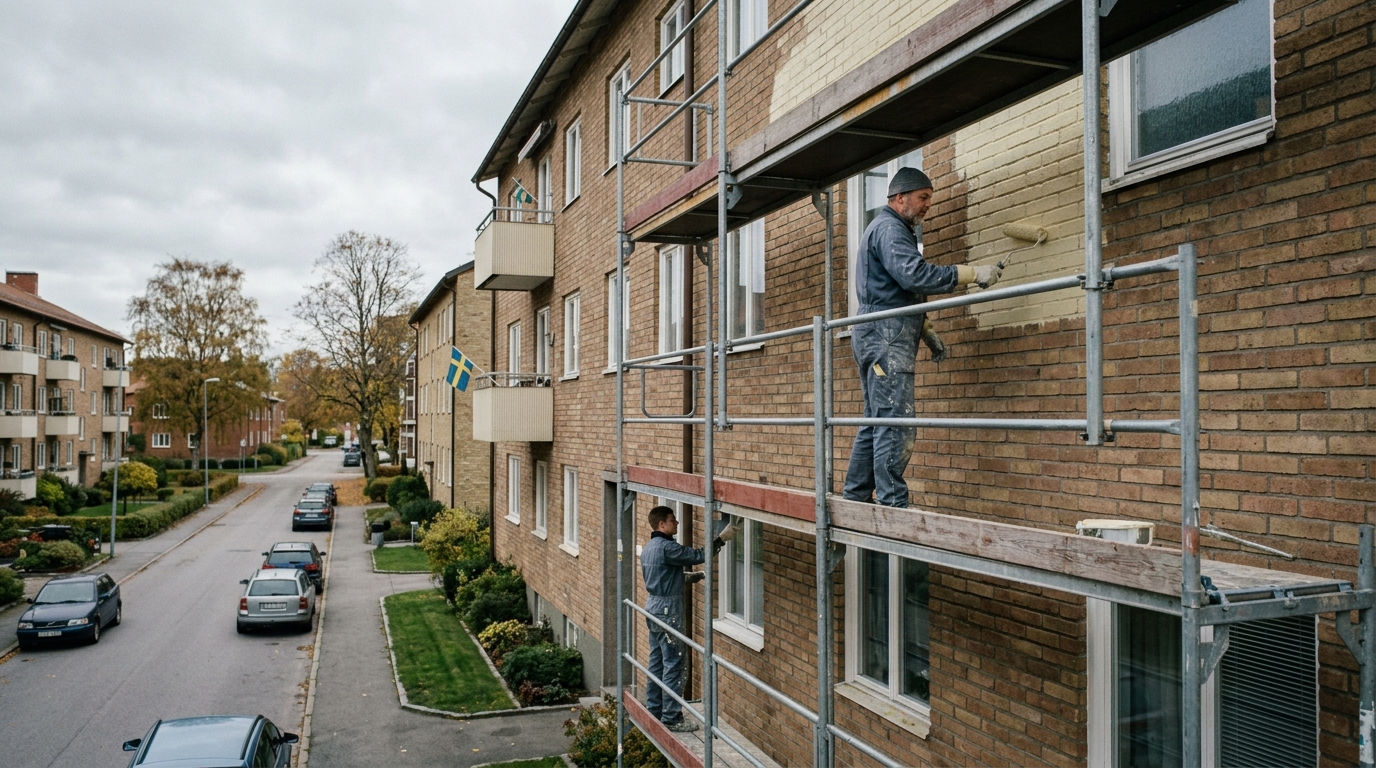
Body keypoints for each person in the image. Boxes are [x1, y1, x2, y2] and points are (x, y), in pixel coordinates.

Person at [843, 167, 1003, 509]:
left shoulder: (889, 229)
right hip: (885, 336)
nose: (928, 204)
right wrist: (973, 273)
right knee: (895, 420)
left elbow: (897, 289)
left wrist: (925, 329)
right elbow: (913, 275)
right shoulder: (890, 229)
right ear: (900, 198)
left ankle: (855, 497)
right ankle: (892, 504)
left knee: (876, 419)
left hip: (878, 332)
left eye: (930, 198)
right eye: (923, 197)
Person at [641, 505, 736, 732]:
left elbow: (661, 575)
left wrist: (687, 578)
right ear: (661, 524)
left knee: (657, 662)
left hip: (653, 607)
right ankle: (672, 717)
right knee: (675, 663)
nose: (676, 523)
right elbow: (697, 555)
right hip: (668, 611)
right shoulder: (667, 547)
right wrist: (721, 539)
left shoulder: (650, 547)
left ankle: (654, 709)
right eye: (672, 520)